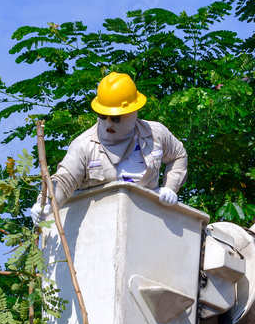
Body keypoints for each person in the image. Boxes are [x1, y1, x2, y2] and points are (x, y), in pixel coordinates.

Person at [30, 72, 188, 223]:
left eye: (115, 118)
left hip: (149, 222)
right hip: (100, 228)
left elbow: (178, 156)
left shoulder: (156, 134)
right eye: (102, 116)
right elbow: (65, 180)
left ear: (133, 112)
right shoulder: (84, 145)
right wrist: (46, 204)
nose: (108, 123)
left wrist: (170, 187)